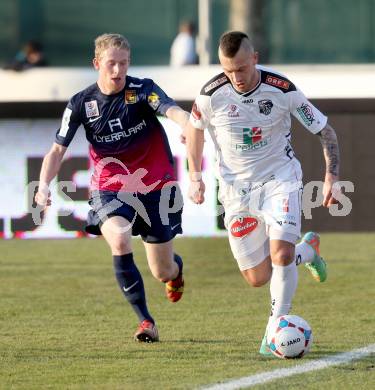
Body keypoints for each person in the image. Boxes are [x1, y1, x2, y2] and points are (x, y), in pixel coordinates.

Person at [186, 31, 340, 355]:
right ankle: (308, 252)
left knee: (281, 254)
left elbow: (325, 130)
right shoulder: (211, 94)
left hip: (279, 180)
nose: (235, 78)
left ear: (254, 58)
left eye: (241, 69)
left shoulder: (282, 90)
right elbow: (194, 129)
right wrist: (196, 176)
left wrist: (332, 176)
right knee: (257, 276)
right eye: (228, 70)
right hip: (235, 192)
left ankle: (275, 328)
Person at [35, 33, 190, 343]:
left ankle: (177, 271)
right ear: (97, 64)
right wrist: (42, 186)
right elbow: (56, 151)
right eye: (111, 64)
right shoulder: (81, 103)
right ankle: (146, 321)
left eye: (123, 64)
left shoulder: (142, 90)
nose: (118, 71)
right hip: (111, 187)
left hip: (156, 186)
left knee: (163, 271)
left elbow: (174, 110)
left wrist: (188, 126)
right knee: (119, 237)